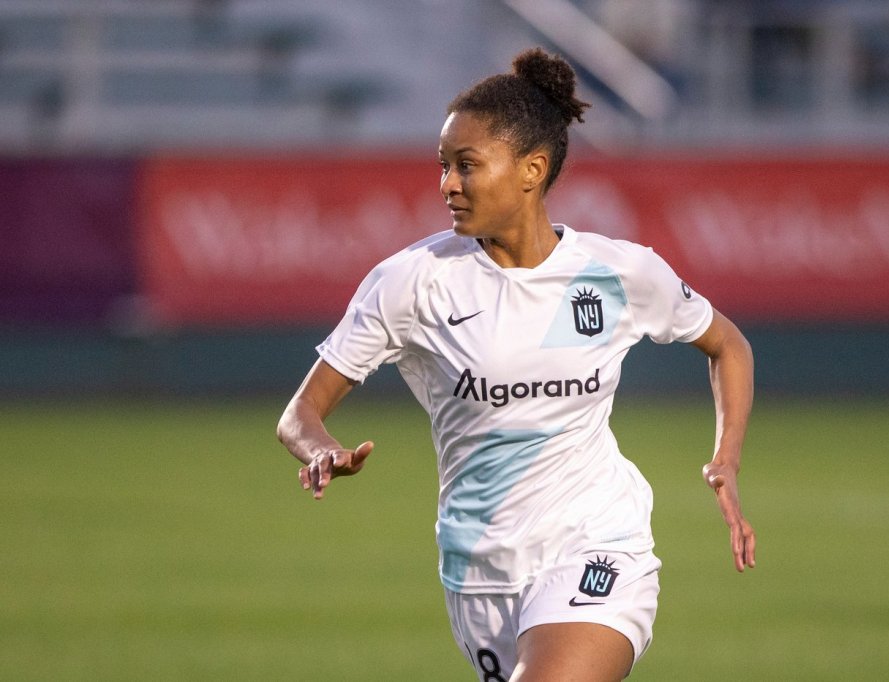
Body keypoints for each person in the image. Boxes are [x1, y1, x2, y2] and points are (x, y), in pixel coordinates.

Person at [277, 47, 755, 682]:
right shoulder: (412, 282)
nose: (447, 184)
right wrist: (320, 450)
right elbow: (300, 413)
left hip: (597, 543)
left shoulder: (617, 272)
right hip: (479, 574)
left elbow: (727, 345)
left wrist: (725, 459)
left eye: (467, 165)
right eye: (443, 165)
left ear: (532, 169)